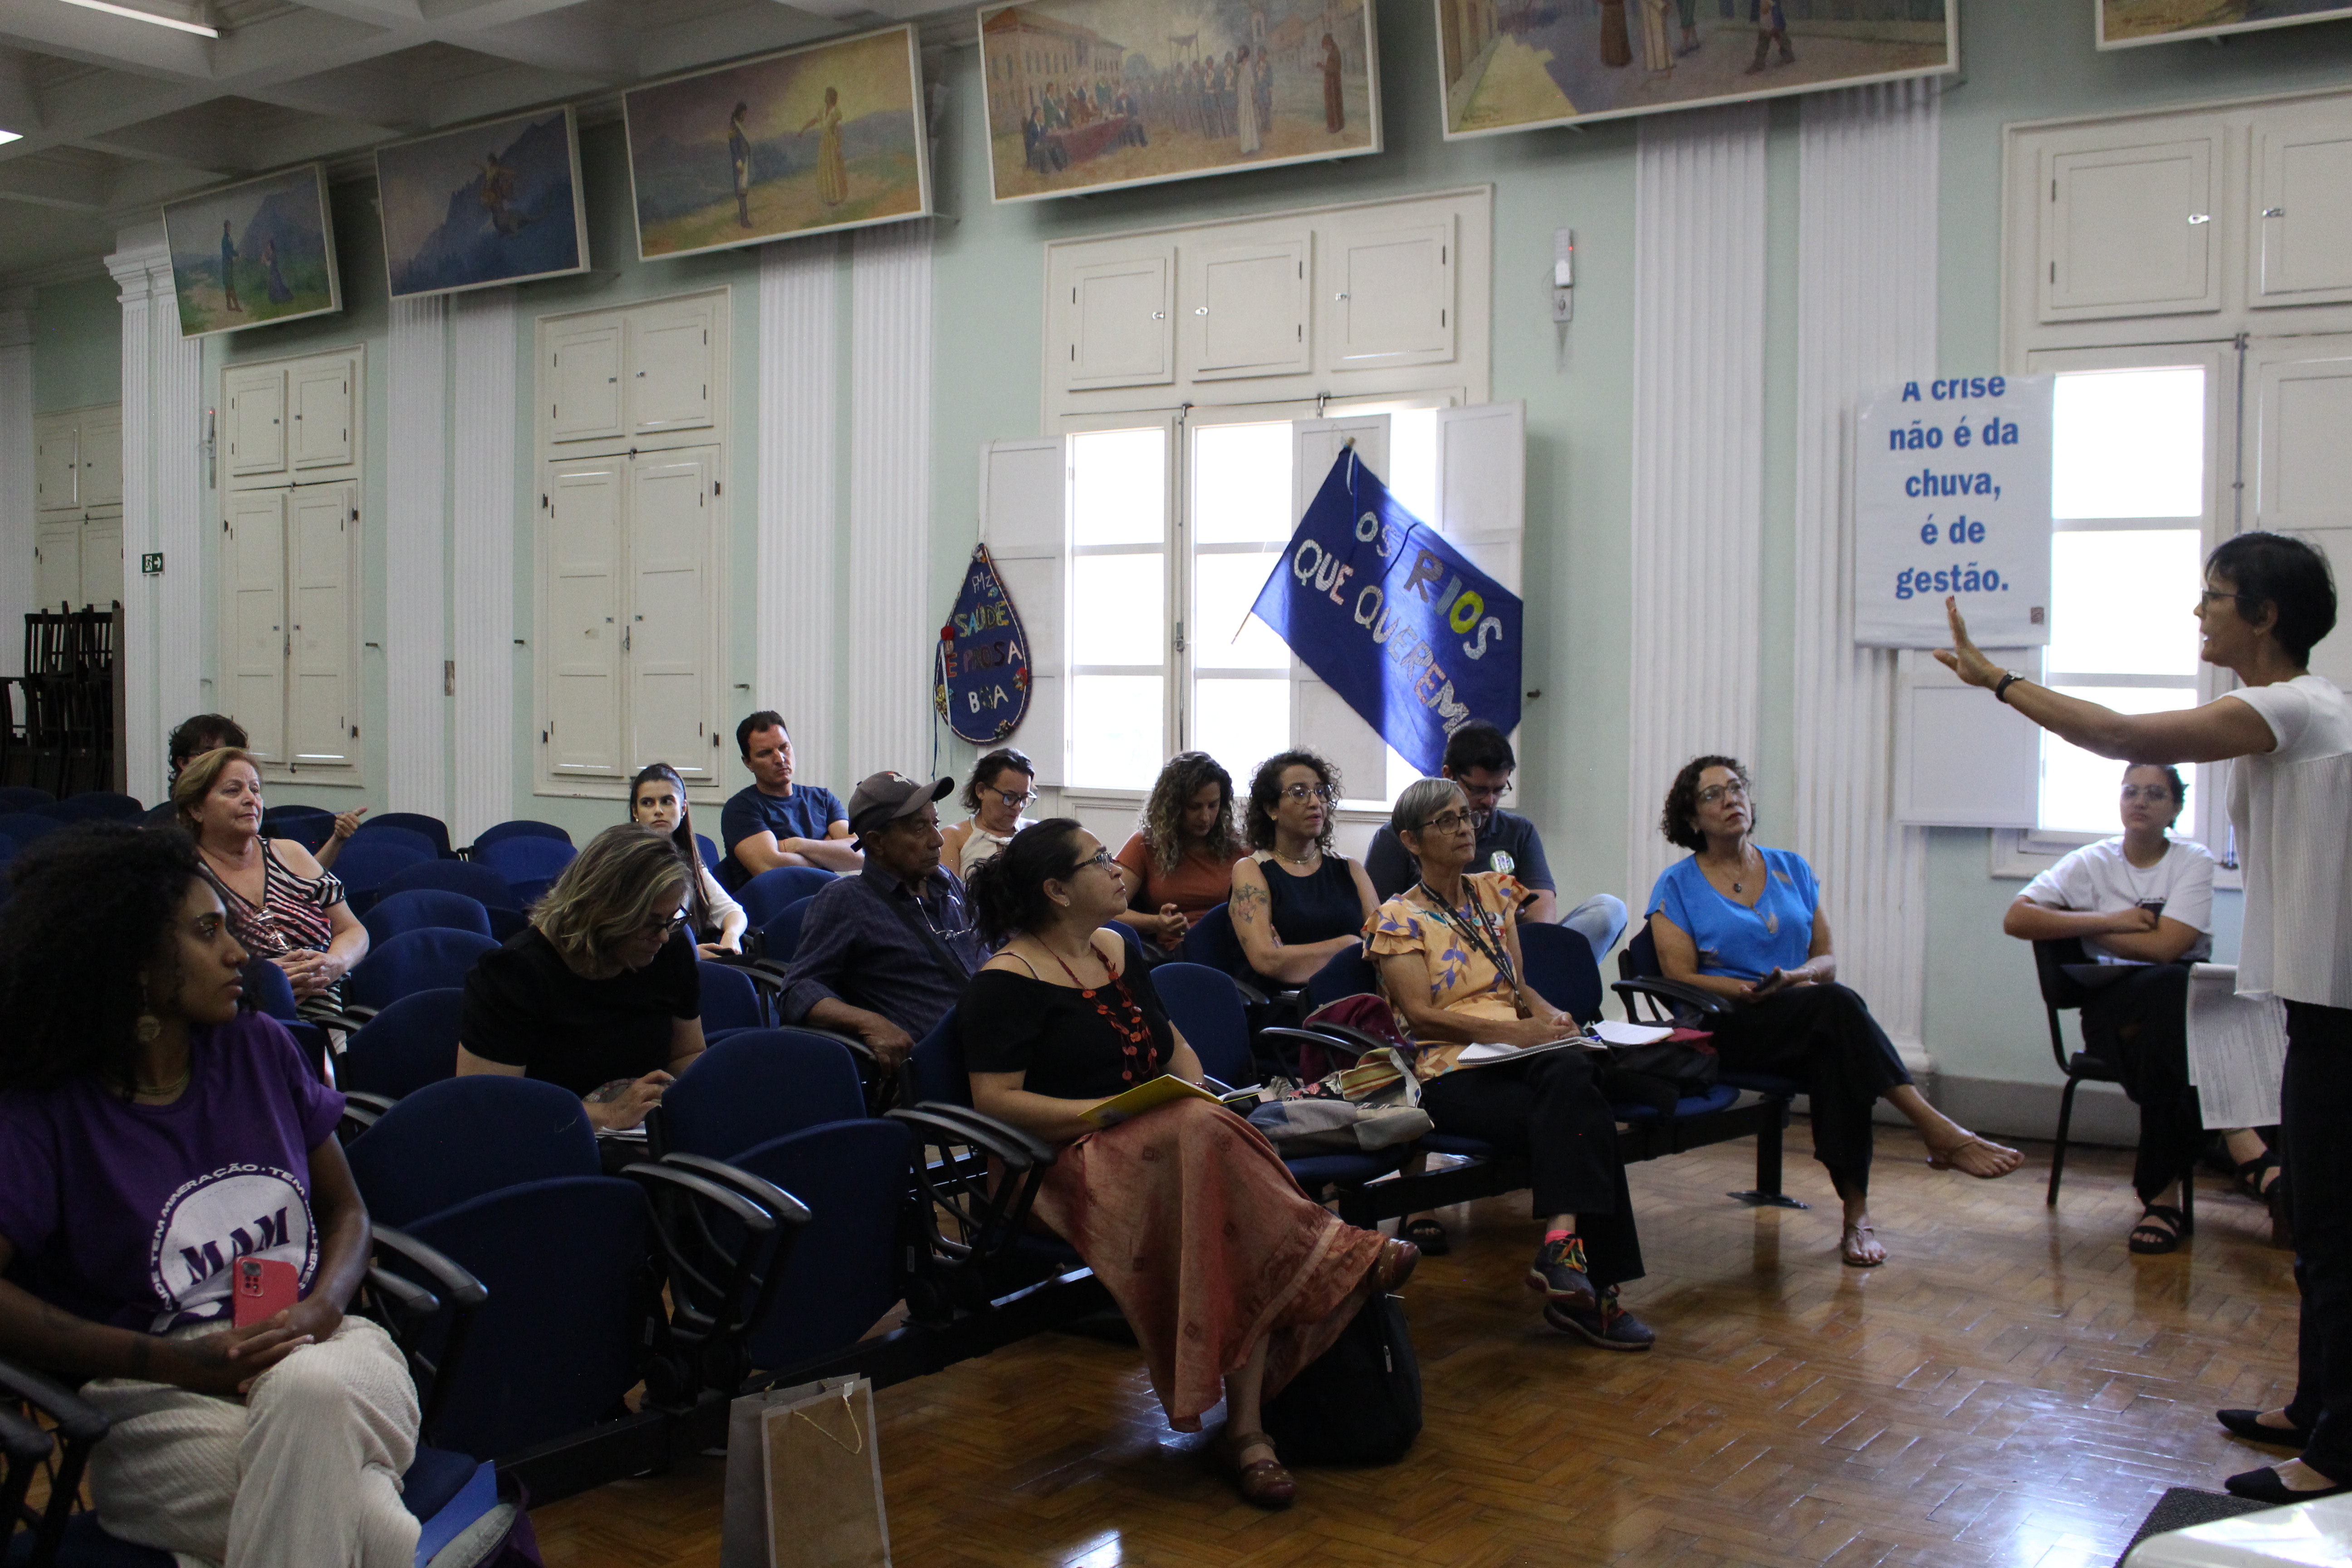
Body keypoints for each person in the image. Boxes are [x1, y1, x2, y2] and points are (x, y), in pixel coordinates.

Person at [1937, 533, 2347, 1505]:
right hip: (2317, 1005)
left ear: (2265, 616)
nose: (2198, 612)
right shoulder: (2292, 712)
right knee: (2319, 1226)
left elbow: (2123, 736)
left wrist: (1998, 682)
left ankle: (2341, 1450)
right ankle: (2314, 1406)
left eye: (2214, 597)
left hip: (2339, 1013)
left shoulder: (2294, 705)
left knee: (2335, 1231)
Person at [0, 824, 421, 1568]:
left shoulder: (261, 1046)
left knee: (309, 1395)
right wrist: (181, 1365)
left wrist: (323, 1308)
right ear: (132, 963)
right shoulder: (46, 1109)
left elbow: (348, 1212)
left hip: (329, 1350)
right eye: (207, 932)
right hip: (154, 1394)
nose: (239, 954)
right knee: (376, 1530)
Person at [958, 819, 1412, 1508]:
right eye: (1098, 860)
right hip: (1056, 1163)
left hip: (1162, 1142)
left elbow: (1175, 1052)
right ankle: (1333, 1262)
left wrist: (1186, 1094)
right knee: (1207, 1149)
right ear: (1056, 890)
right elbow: (996, 1102)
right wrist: (1109, 1113)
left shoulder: (1118, 947)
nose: (1116, 869)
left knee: (1219, 1187)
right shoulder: (1006, 980)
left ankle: (1250, 1432)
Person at [1647, 755, 2023, 1268]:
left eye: (1736, 788)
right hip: (1727, 1024)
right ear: (1692, 818)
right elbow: (1678, 977)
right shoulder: (1677, 884)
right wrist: (1742, 988)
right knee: (1838, 1008)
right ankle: (1934, 1130)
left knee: (1837, 1053)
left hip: (1800, 1014)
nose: (1731, 799)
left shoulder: (1792, 868)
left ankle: (1857, 1217)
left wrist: (1793, 978)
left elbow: (1826, 960)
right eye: (1713, 795)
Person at [1369, 779, 1656, 1348]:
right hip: (1447, 1073)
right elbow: (1421, 1017)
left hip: (1521, 1059)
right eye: (1446, 821)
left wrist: (1550, 1018)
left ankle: (1563, 1251)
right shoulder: (1397, 919)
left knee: (1573, 1081)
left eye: (1465, 817)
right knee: (1587, 1117)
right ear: (1411, 841)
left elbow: (1518, 985)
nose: (1464, 828)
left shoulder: (1494, 892)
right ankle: (1594, 1294)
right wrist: (1517, 1034)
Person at [2002, 763, 2258, 1255]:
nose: (2140, 801)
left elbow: (2169, 947)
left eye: (2155, 794)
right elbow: (2017, 918)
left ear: (2176, 807)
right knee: (2177, 1005)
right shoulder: (2090, 861)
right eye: (2131, 791)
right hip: (2112, 1013)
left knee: (2168, 1010)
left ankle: (2162, 1201)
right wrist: (2111, 920)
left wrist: (2080, 927)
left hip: (2170, 1017)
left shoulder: (2193, 860)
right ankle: (2237, 1133)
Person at [458, 825, 705, 1147]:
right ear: (602, 911)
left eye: (672, 919)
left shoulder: (668, 951)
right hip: (547, 1145)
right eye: (649, 922)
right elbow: (490, 1106)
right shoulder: (514, 974)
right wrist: (608, 1114)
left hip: (644, 1139)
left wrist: (690, 1097)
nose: (663, 936)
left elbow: (688, 1053)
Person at [1365, 720, 1628, 961]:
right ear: (1449, 775)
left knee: (1609, 911)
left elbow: (1542, 916)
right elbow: (1379, 924)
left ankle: (1535, 987)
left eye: (1499, 790)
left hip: (1517, 953)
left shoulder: (1519, 831)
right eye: (1479, 790)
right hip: (1440, 955)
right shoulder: (1399, 837)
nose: (1489, 801)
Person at [780, 772, 988, 1072]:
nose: (938, 840)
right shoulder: (847, 901)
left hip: (1003, 1039)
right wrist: (870, 1023)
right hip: (947, 1067)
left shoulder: (947, 883)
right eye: (920, 828)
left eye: (935, 823)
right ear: (877, 842)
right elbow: (797, 990)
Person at [179, 748, 368, 1008]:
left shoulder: (290, 853)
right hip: (244, 1013)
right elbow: (185, 964)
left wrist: (335, 963)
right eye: (233, 791)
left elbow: (353, 930)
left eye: (255, 790)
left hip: (329, 1009)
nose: (251, 799)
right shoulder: (186, 873)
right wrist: (261, 977)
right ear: (196, 809)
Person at [1230, 751, 1378, 988]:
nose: (1315, 802)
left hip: (1357, 997)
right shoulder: (1252, 870)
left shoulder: (1350, 868)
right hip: (1290, 1003)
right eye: (1299, 793)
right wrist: (1349, 946)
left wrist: (1292, 956)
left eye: (1321, 791)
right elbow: (1267, 960)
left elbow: (1382, 946)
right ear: (1272, 809)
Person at [144, 717, 367, 867]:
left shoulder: (257, 818)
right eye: (209, 754)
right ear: (184, 763)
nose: (250, 799)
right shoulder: (160, 826)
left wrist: (337, 839)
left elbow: (301, 882)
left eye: (255, 789)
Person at [1115, 751, 1248, 954]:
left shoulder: (1238, 845)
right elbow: (1106, 909)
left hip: (1235, 944)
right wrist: (1155, 923)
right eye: (1195, 807)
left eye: (1213, 806)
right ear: (1173, 807)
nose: (1205, 817)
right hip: (1183, 951)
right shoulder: (1146, 844)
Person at [718, 710, 859, 889]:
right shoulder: (740, 808)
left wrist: (796, 845)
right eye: (765, 753)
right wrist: (829, 853)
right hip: (774, 901)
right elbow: (771, 868)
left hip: (827, 897)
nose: (780, 759)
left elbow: (859, 853)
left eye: (784, 747)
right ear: (748, 763)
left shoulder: (823, 799)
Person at [627, 761, 746, 958]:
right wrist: (691, 954)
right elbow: (628, 938)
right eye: (647, 803)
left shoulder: (689, 862)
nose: (658, 810)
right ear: (635, 812)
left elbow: (733, 911)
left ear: (683, 808)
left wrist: (731, 936)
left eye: (667, 801)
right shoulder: (626, 864)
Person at [940, 747, 1037, 879]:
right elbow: (949, 891)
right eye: (1009, 797)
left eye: (1024, 798)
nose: (1018, 807)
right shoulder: (953, 838)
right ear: (981, 791)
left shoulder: (1034, 832)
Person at [801, 86, 847, 207]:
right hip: (824, 144)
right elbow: (815, 121)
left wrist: (839, 146)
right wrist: (804, 129)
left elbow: (840, 129)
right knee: (826, 169)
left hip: (832, 142)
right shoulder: (822, 111)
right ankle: (829, 197)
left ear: (831, 97)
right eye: (826, 95)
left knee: (834, 168)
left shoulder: (836, 112)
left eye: (827, 95)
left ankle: (837, 196)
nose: (825, 97)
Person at [729, 101, 753, 227]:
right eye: (743, 114)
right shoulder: (733, 127)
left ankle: (745, 219)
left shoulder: (740, 126)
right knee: (741, 191)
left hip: (745, 161)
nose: (744, 117)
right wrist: (738, 163)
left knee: (744, 190)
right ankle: (744, 220)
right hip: (740, 163)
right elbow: (733, 147)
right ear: (739, 113)